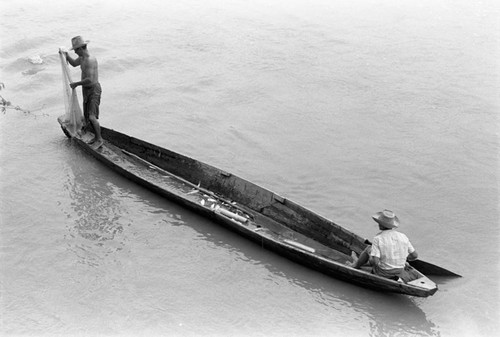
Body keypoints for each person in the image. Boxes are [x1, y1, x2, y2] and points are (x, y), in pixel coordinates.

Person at [347, 209, 418, 281]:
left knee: (369, 248)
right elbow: (414, 255)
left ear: (380, 224)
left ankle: (355, 265)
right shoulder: (403, 236)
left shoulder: (378, 238)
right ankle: (359, 261)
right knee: (382, 255)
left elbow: (375, 262)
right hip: (400, 271)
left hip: (383, 273)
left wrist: (371, 258)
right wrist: (403, 260)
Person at [60, 36, 103, 149]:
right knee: (87, 116)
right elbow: (74, 63)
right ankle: (93, 134)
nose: (74, 51)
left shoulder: (89, 60)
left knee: (92, 117)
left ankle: (99, 139)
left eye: (75, 49)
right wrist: (65, 55)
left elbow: (90, 79)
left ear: (82, 48)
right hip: (86, 89)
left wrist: (76, 84)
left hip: (93, 90)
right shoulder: (82, 58)